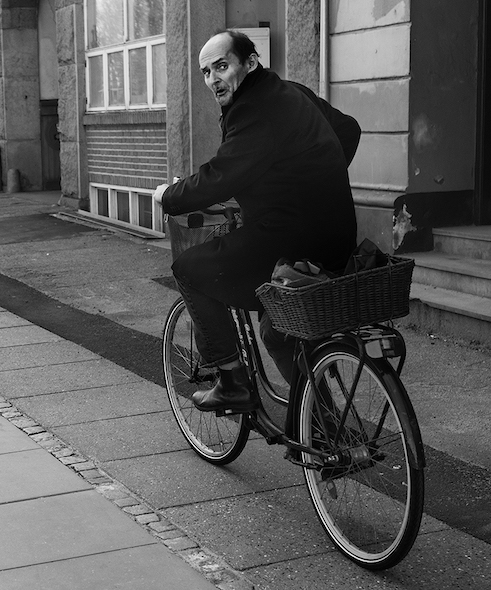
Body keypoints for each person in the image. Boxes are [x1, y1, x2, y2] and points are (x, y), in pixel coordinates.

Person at [154, 30, 361, 411]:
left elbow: (222, 175)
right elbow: (348, 129)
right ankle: (319, 425)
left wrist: (169, 196)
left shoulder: (254, 108)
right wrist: (306, 178)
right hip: (337, 234)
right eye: (205, 72)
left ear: (250, 63)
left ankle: (233, 382)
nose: (213, 79)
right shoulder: (291, 91)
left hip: (289, 239)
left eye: (221, 66)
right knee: (277, 331)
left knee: (189, 268)